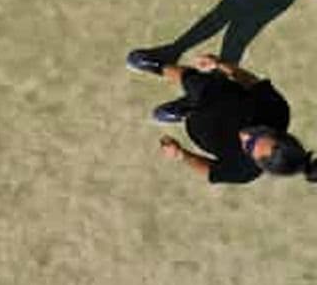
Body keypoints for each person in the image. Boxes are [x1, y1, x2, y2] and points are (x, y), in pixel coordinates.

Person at [126, 48, 317, 184]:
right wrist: (220, 64)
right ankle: (156, 66)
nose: (245, 135)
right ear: (277, 131)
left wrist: (180, 154)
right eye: (258, 132)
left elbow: (210, 170)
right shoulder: (277, 109)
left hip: (201, 130)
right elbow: (251, 82)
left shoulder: (244, 172)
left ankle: (184, 110)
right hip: (216, 93)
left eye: (249, 146)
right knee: (189, 76)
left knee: (193, 111)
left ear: (260, 165)